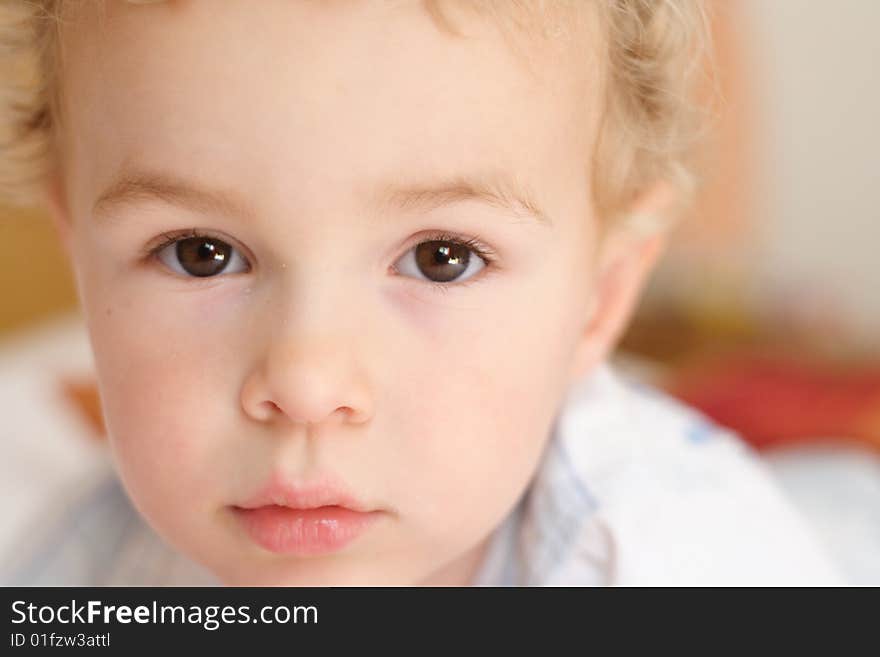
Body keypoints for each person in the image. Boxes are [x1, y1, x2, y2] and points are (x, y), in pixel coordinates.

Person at [0, 0, 840, 585]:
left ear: (602, 292)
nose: (305, 382)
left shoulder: (681, 567)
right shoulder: (89, 568)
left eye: (442, 258)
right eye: (200, 252)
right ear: (79, 255)